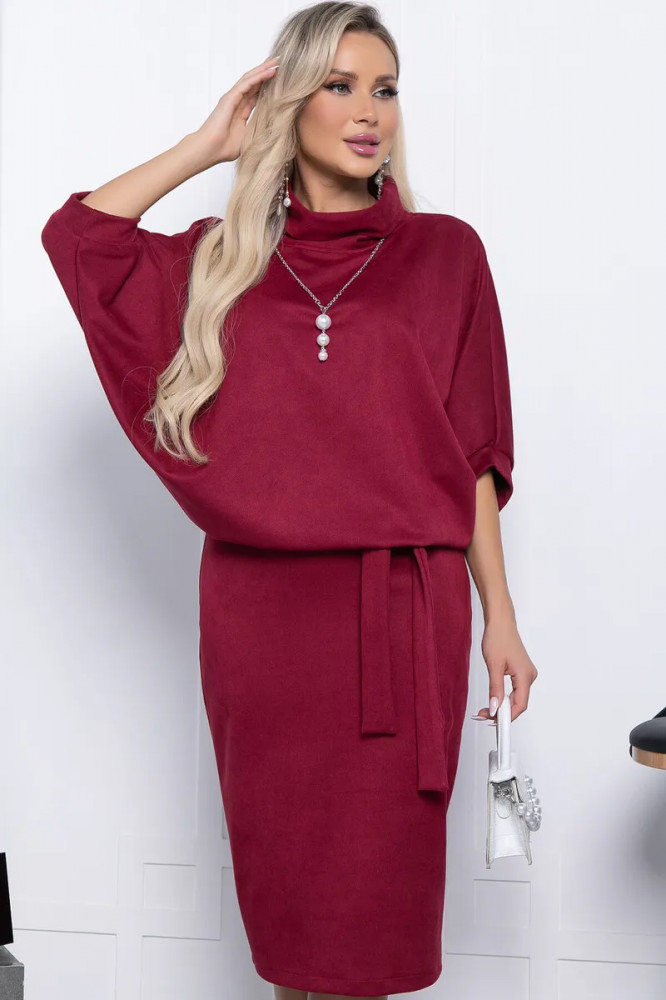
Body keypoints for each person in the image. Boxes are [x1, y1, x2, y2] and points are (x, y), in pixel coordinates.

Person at [40, 2, 538, 998]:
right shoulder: (220, 263)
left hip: (402, 616)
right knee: (295, 928)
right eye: (339, 86)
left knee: (373, 934)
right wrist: (207, 144)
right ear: (289, 103)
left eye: (385, 89)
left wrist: (501, 619)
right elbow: (81, 238)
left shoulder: (448, 254)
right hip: (263, 631)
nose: (369, 112)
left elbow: (473, 453)